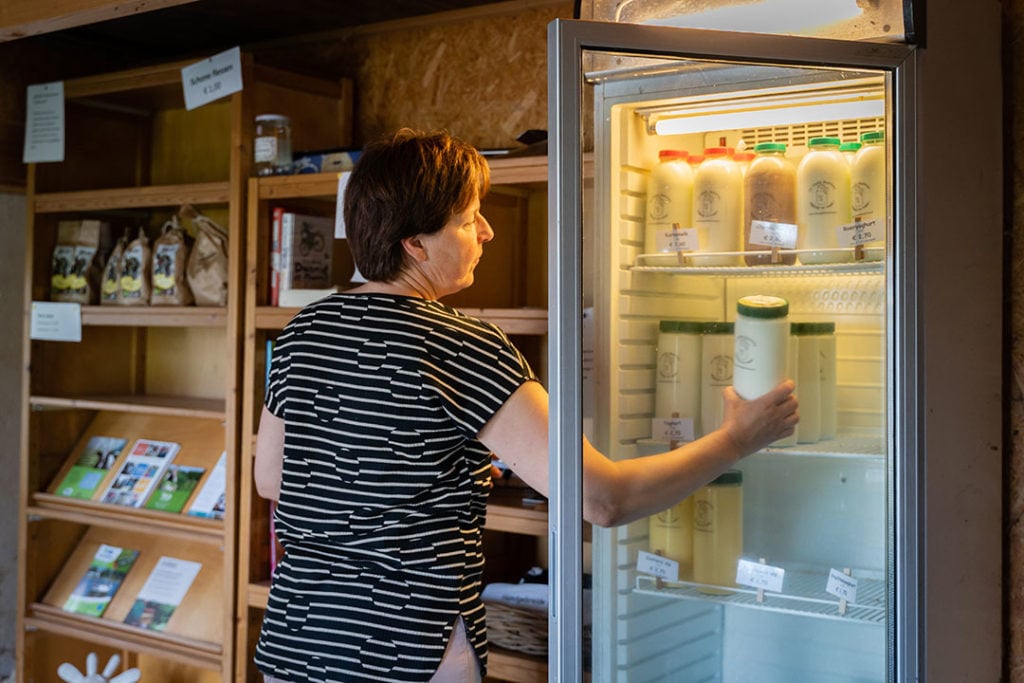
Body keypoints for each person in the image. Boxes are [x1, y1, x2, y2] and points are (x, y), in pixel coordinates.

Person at [253, 128, 798, 683]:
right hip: (408, 652)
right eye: (468, 220)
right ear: (414, 243)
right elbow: (604, 499)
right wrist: (737, 437)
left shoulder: (305, 330)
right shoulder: (463, 346)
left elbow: (272, 478)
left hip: (297, 641)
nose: (487, 232)